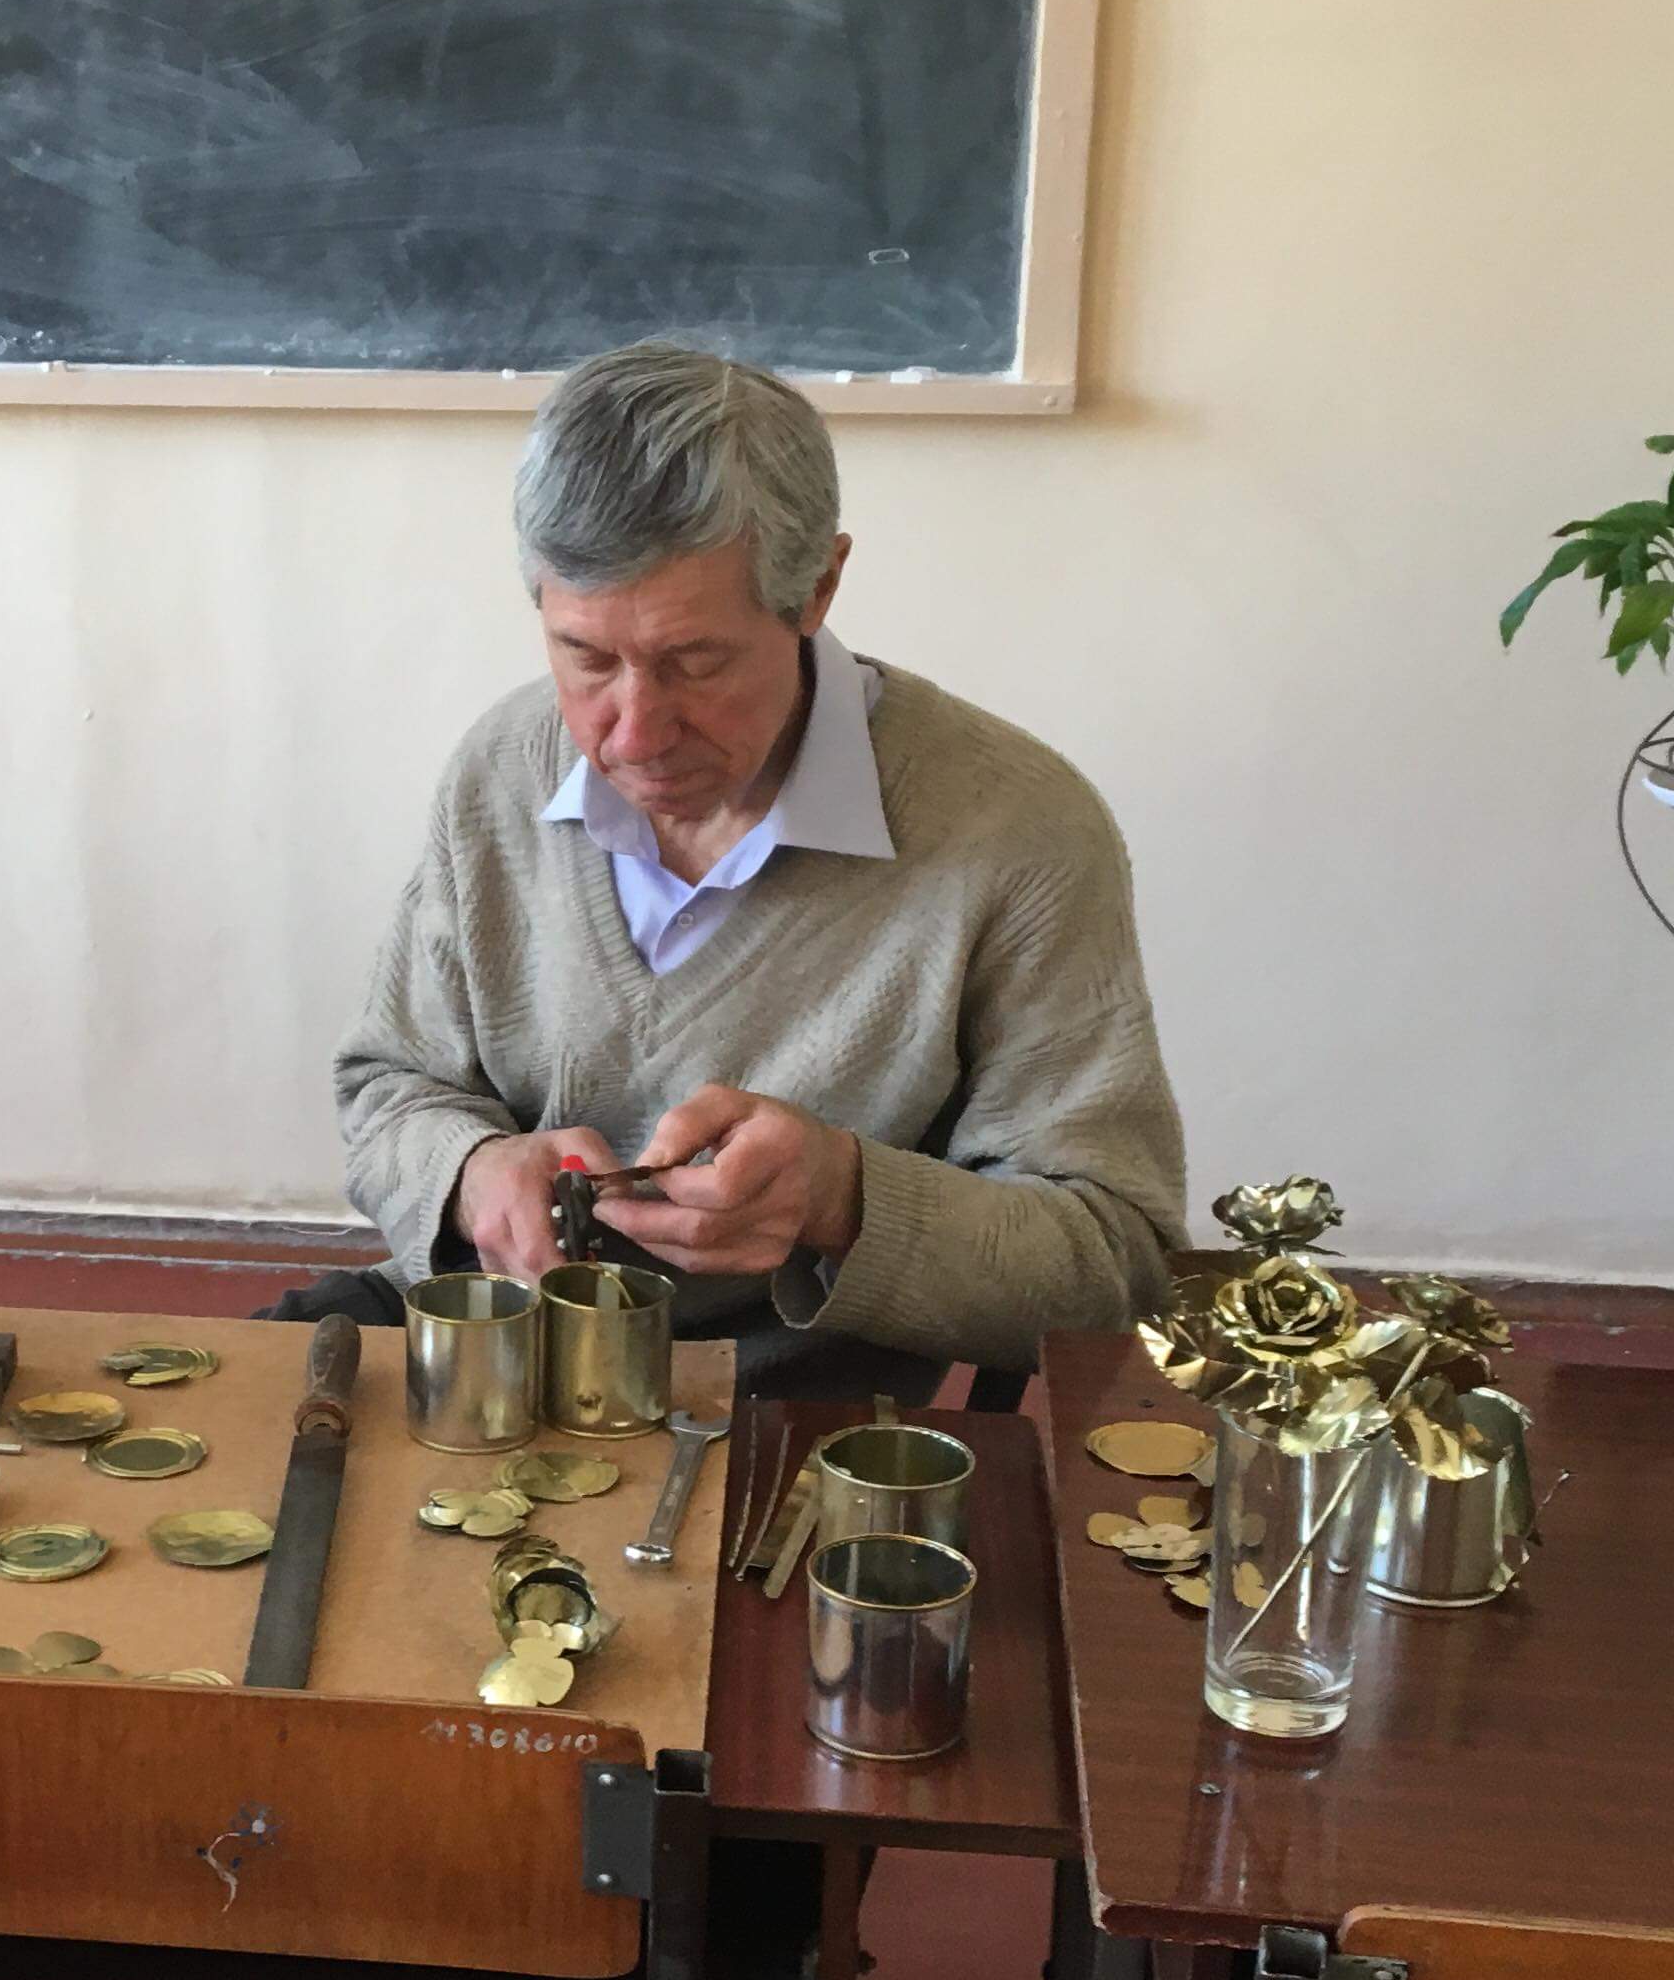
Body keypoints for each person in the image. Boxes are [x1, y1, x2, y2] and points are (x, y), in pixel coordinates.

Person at [281, 339, 1186, 1403]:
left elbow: (1114, 1264)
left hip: (783, 1389)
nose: (632, 735)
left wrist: (843, 1199)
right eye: (585, 657)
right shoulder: (504, 767)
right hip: (494, 1339)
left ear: (818, 588)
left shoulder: (1017, 832)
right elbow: (388, 1085)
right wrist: (472, 1175)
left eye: (695, 662)